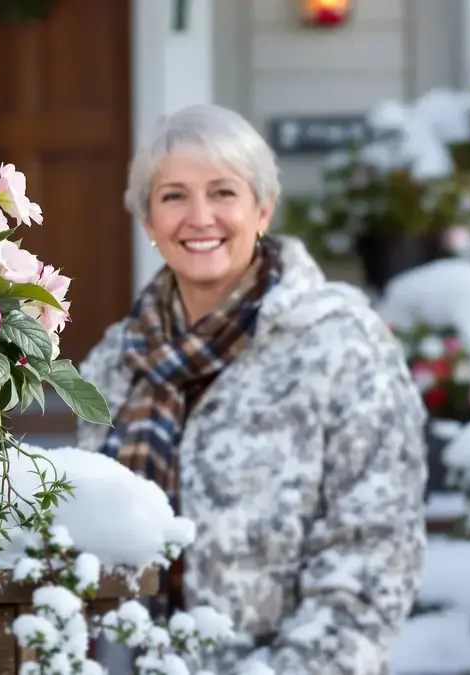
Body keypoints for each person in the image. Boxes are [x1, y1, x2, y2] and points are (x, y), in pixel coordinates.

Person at [76, 103, 428, 674]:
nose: (199, 217)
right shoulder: (116, 362)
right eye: (173, 197)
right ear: (147, 221)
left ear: (262, 210)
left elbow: (375, 554)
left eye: (223, 193)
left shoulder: (340, 345)